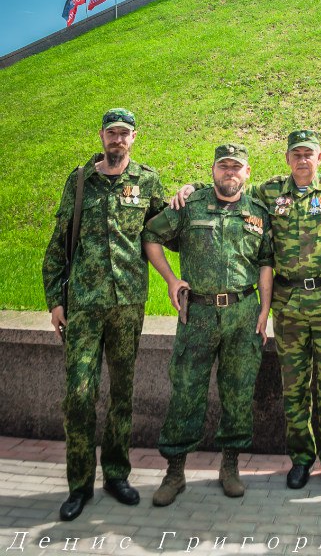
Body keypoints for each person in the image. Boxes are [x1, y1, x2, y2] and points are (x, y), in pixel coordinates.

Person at [170, 129, 321, 494]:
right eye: (296, 154)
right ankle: (302, 458)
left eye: (309, 154)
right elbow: (231, 187)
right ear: (287, 160)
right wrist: (191, 187)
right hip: (287, 306)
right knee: (295, 386)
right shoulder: (269, 192)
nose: (303, 160)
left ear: (320, 159)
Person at [42, 108, 166, 522]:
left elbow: (163, 230)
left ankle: (116, 474)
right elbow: (59, 242)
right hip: (83, 305)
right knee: (78, 395)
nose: (117, 140)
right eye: (111, 133)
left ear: (133, 138)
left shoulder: (147, 181)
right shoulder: (80, 182)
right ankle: (80, 484)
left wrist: (188, 198)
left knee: (122, 395)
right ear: (101, 136)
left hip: (128, 303)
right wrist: (55, 301)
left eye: (124, 134)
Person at [142, 144, 273, 506]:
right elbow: (151, 236)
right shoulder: (190, 205)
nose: (230, 172)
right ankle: (175, 471)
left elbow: (265, 263)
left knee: (238, 389)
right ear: (214, 170)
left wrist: (264, 310)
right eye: (223, 166)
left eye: (237, 167)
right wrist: (170, 280)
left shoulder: (258, 212)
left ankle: (230, 465)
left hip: (242, 313)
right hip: (197, 314)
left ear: (247, 172)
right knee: (186, 390)